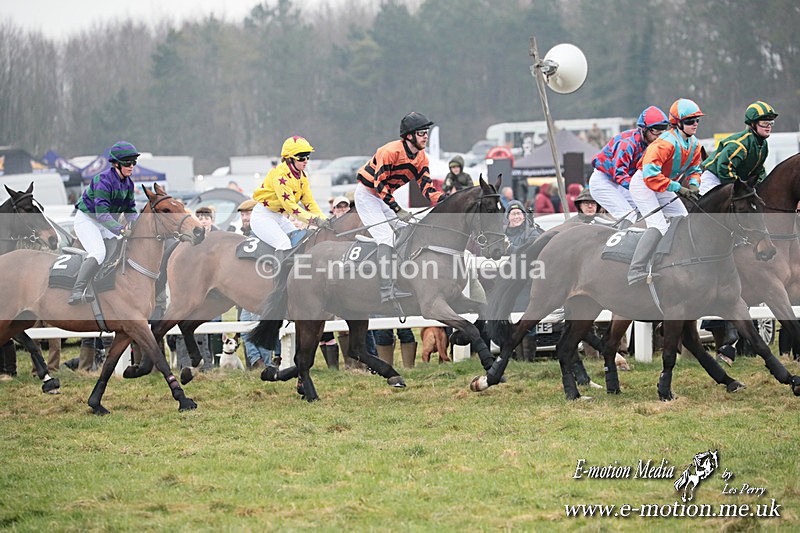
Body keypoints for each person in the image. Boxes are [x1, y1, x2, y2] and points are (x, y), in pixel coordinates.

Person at [354, 111, 443, 304]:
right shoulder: (390, 152)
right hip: (367, 195)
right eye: (422, 133)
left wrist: (443, 199)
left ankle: (403, 277)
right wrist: (397, 209)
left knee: (408, 229)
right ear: (409, 135)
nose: (426, 136)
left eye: (427, 132)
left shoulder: (422, 158)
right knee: (386, 236)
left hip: (384, 198)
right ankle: (386, 289)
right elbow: (379, 185)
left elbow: (427, 188)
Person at [627, 98, 705, 284]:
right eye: (690, 121)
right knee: (659, 225)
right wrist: (679, 188)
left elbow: (695, 169)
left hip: (662, 184)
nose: (695, 124)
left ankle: (671, 258)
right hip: (644, 183)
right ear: (677, 123)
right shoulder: (664, 144)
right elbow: (651, 176)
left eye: (697, 120)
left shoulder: (694, 144)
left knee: (682, 219)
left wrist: (694, 184)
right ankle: (636, 269)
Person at [68, 141, 140, 305]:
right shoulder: (103, 180)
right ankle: (77, 290)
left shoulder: (128, 183)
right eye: (127, 163)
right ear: (116, 164)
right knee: (99, 253)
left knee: (117, 250)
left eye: (133, 162)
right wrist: (120, 229)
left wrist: (137, 225)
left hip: (104, 223)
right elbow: (102, 214)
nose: (131, 166)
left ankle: (101, 285)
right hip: (87, 220)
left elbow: (130, 209)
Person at [588, 106, 670, 224]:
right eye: (655, 131)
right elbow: (619, 174)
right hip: (603, 182)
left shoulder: (653, 144)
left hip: (622, 183)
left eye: (662, 131)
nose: (659, 136)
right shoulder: (627, 144)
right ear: (643, 129)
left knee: (644, 211)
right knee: (629, 215)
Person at [251, 136, 327, 256]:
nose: (306, 161)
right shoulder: (279, 175)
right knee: (284, 243)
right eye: (302, 157)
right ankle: (278, 275)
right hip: (262, 217)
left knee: (301, 241)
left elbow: (310, 203)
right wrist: (315, 220)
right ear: (289, 159)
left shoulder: (303, 176)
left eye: (307, 156)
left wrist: (325, 219)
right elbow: (290, 207)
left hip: (279, 217)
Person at [700, 101, 778, 194]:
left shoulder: (763, 145)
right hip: (714, 179)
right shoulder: (740, 144)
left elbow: (759, 170)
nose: (769, 126)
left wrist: (758, 186)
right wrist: (740, 187)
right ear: (752, 124)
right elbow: (724, 167)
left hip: (734, 182)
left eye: (771, 123)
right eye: (765, 123)